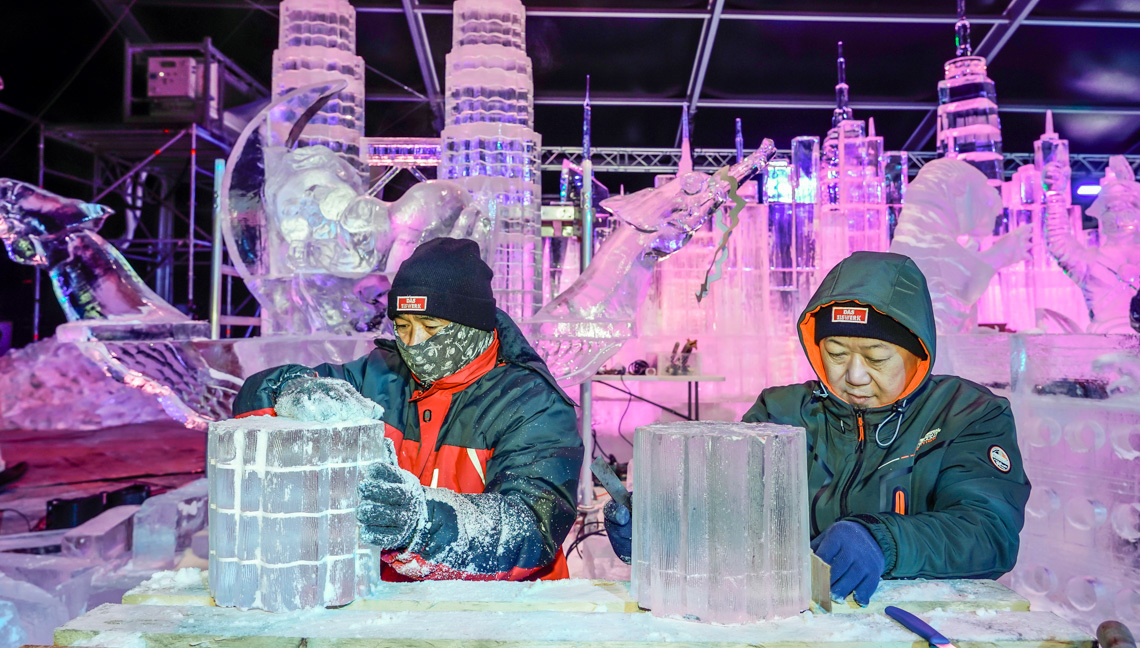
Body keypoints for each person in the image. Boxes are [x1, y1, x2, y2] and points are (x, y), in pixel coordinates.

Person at [604, 251, 1030, 605]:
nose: (855, 375)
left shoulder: (967, 414)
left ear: (917, 352)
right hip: (797, 619)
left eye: (877, 357)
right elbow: (727, 510)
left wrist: (882, 540)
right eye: (837, 352)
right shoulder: (783, 410)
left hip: (921, 618)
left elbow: (988, 532)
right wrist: (662, 530)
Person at [234, 237, 583, 581]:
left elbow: (530, 527)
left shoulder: (534, 405)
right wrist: (294, 391)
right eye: (402, 327)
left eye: (430, 328)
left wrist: (422, 524)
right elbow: (263, 393)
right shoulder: (379, 374)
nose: (414, 344)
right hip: (389, 604)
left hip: (502, 614)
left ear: (473, 326)